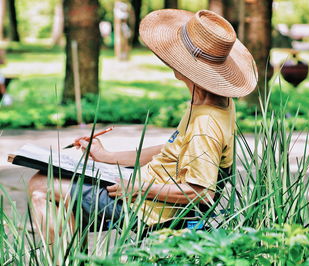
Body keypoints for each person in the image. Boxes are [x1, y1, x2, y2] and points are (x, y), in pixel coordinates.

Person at [28, 9, 257, 241]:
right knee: (56, 184)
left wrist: (138, 188)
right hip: (147, 186)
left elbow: (202, 193)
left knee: (40, 185)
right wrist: (107, 156)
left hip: (151, 208)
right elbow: (175, 150)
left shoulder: (206, 123)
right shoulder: (209, 102)